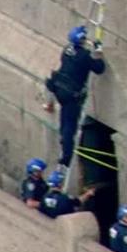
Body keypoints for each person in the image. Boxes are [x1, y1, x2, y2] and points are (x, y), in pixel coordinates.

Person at [44, 25, 106, 177]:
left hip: (59, 89)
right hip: (72, 94)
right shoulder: (84, 55)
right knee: (70, 127)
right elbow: (99, 69)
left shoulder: (66, 50)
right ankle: (66, 158)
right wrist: (98, 52)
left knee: (65, 121)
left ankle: (63, 144)